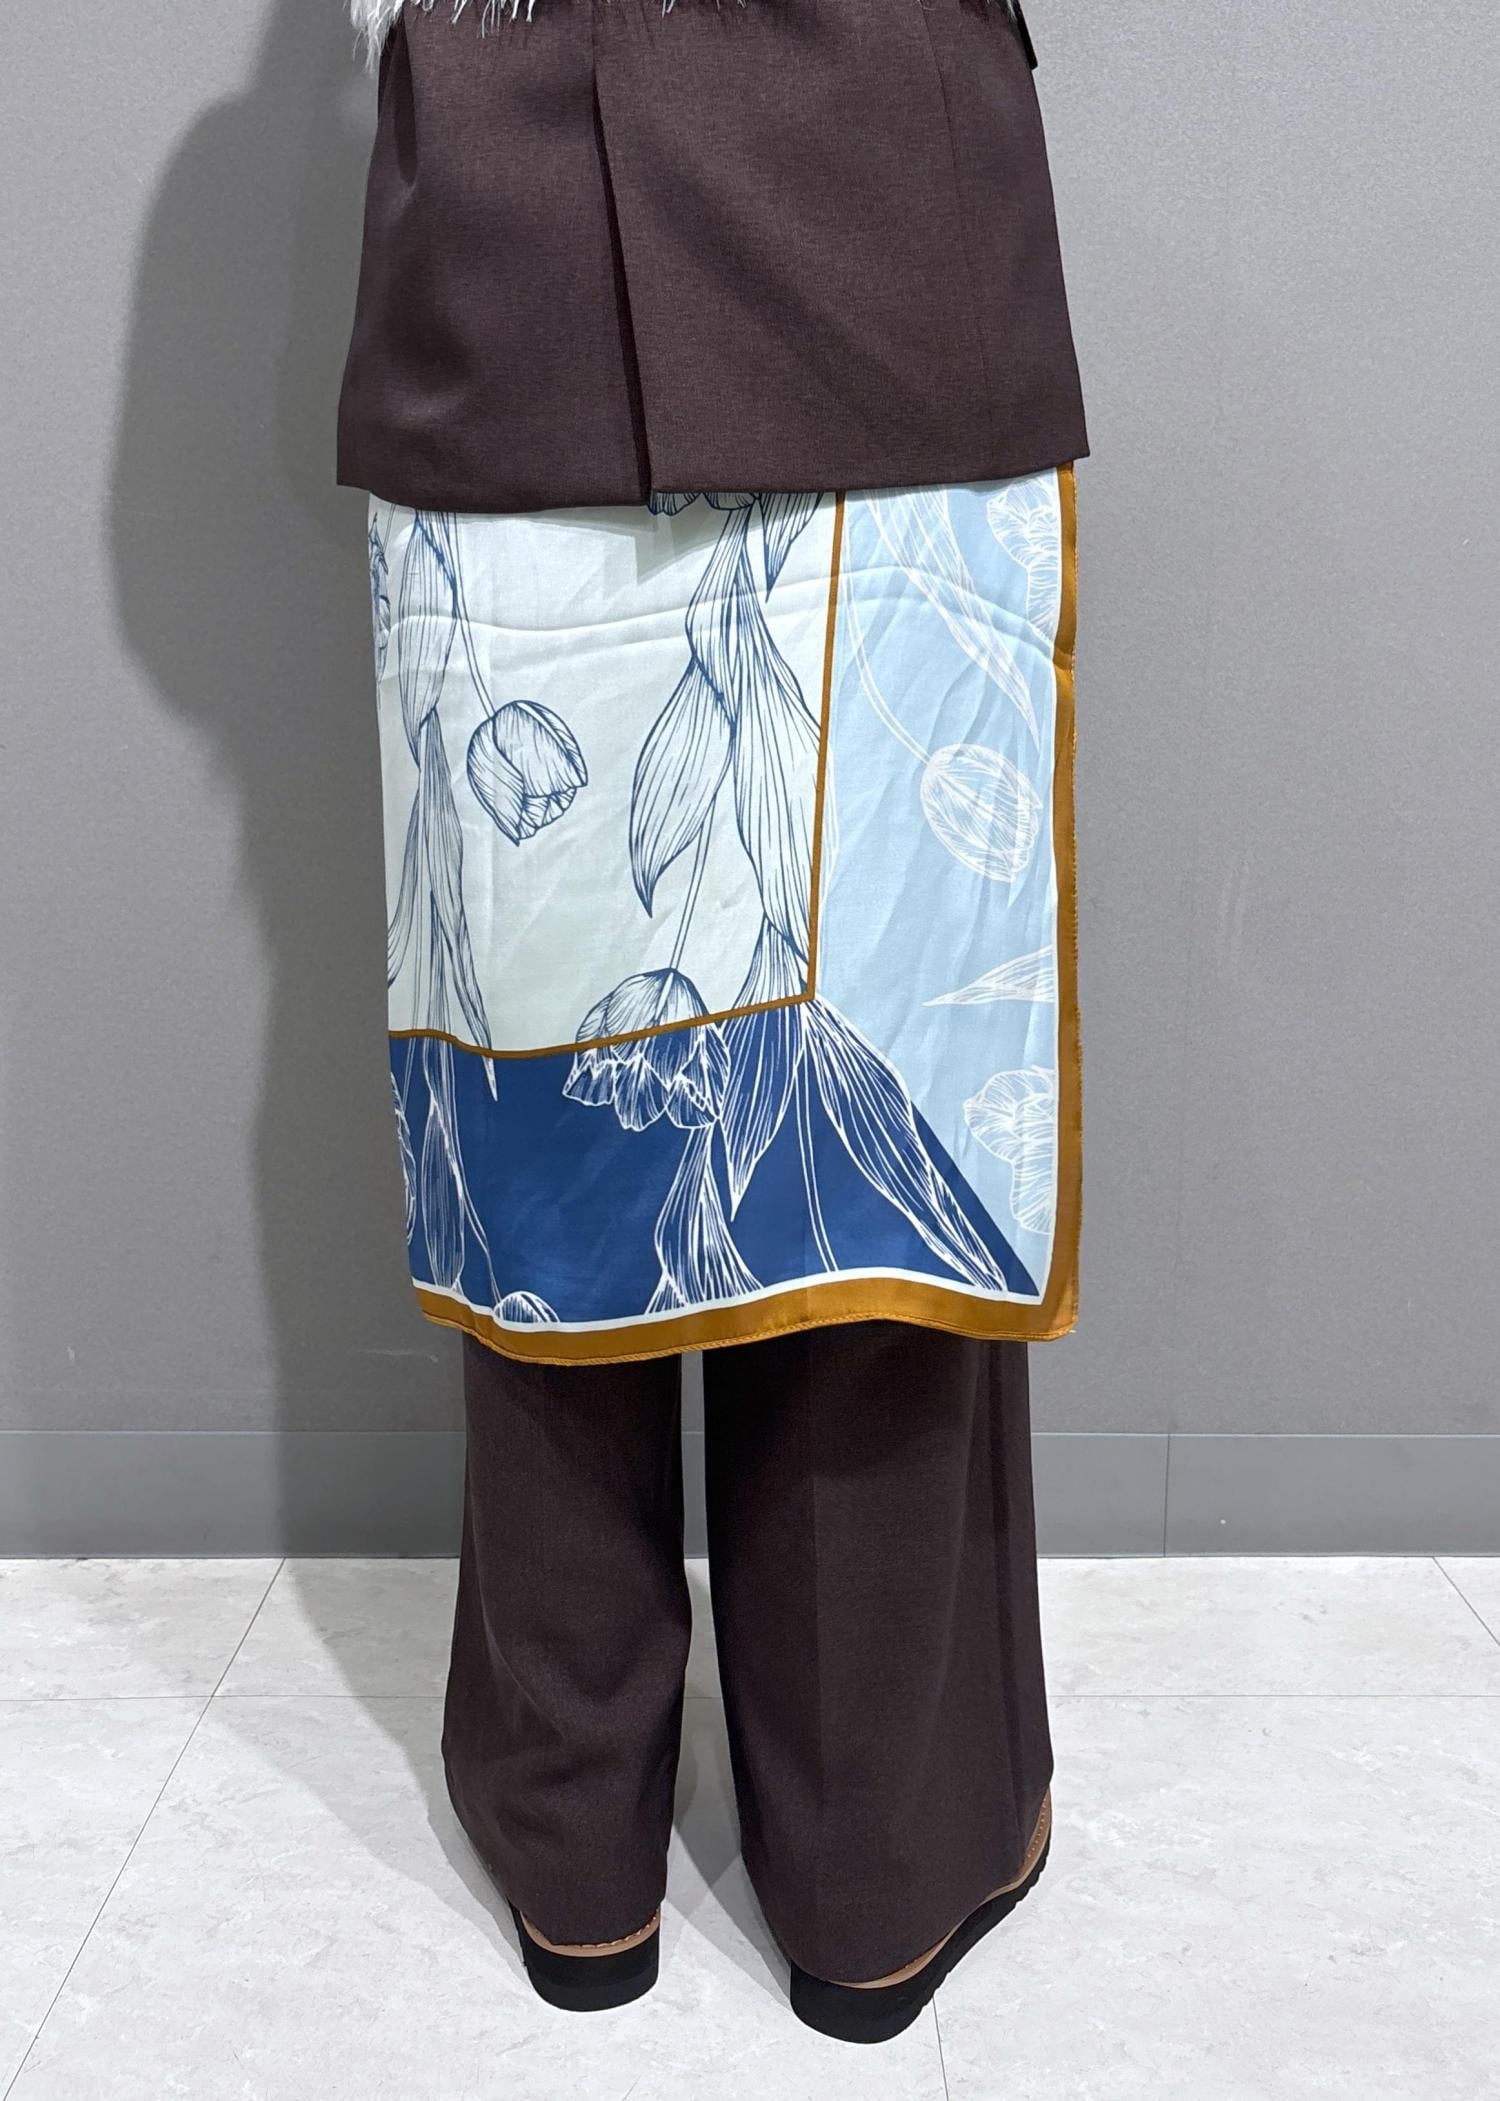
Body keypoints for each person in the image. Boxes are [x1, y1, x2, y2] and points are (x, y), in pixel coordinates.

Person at [338, 0, 1086, 2044]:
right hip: (886, 232)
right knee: (866, 1143)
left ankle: (579, 1859)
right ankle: (874, 1876)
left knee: (552, 1135)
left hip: (513, 270)